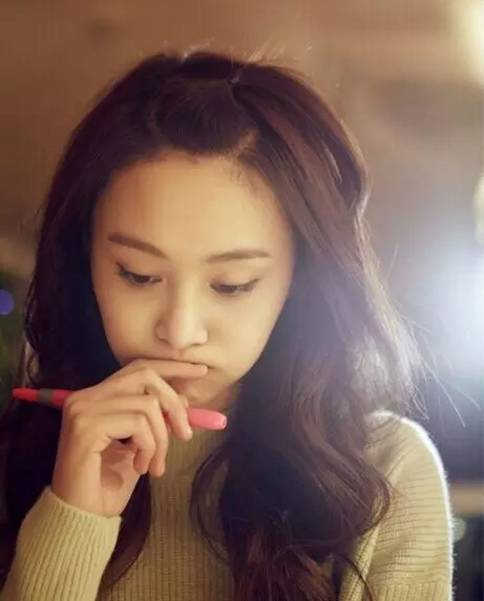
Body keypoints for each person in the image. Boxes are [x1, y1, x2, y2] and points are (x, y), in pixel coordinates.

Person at [0, 49, 454, 601]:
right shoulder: (17, 461)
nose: (180, 331)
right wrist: (72, 518)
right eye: (138, 275)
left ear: (299, 278)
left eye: (232, 285)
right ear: (83, 260)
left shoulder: (384, 473)